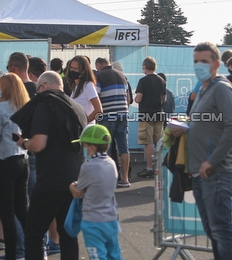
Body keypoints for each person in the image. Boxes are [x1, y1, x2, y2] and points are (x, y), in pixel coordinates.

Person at [2, 71, 87, 260]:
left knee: (34, 231)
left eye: (37, 89)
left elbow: (38, 144)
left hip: (51, 179)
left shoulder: (45, 105)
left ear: (44, 86)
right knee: (69, 235)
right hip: (74, 180)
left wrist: (23, 142)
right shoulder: (76, 107)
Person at [189, 42, 232, 260]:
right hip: (202, 172)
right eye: (196, 61)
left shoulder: (221, 88)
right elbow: (211, 124)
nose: (199, 65)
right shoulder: (204, 90)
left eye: (203, 61)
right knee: (215, 232)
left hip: (217, 171)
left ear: (216, 63)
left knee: (222, 232)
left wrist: (212, 160)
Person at [69, 124, 136, 260]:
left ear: (90, 148)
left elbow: (78, 192)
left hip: (93, 224)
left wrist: (71, 186)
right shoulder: (111, 163)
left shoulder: (88, 167)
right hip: (110, 220)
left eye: (84, 145)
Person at [0, 74, 31, 260]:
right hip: (23, 160)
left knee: (7, 214)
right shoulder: (25, 106)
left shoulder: (1, 108)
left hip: (5, 161)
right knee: (23, 211)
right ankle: (35, 253)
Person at [95, 57, 132, 188]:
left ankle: (109, 179)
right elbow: (127, 97)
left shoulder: (99, 76)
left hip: (107, 115)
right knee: (123, 146)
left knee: (107, 147)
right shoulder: (122, 75)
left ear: (98, 64)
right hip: (123, 114)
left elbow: (97, 97)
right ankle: (125, 178)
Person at [135, 56, 166, 178]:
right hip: (159, 114)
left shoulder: (143, 81)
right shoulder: (161, 81)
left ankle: (149, 168)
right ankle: (159, 167)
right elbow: (164, 99)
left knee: (148, 143)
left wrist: (136, 98)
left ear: (145, 67)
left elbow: (138, 98)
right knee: (159, 142)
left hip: (146, 115)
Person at [66, 56, 103, 124]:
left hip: (86, 130)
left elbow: (98, 110)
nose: (73, 70)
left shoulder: (87, 86)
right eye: (71, 68)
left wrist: (84, 122)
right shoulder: (75, 87)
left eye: (76, 68)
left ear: (83, 70)